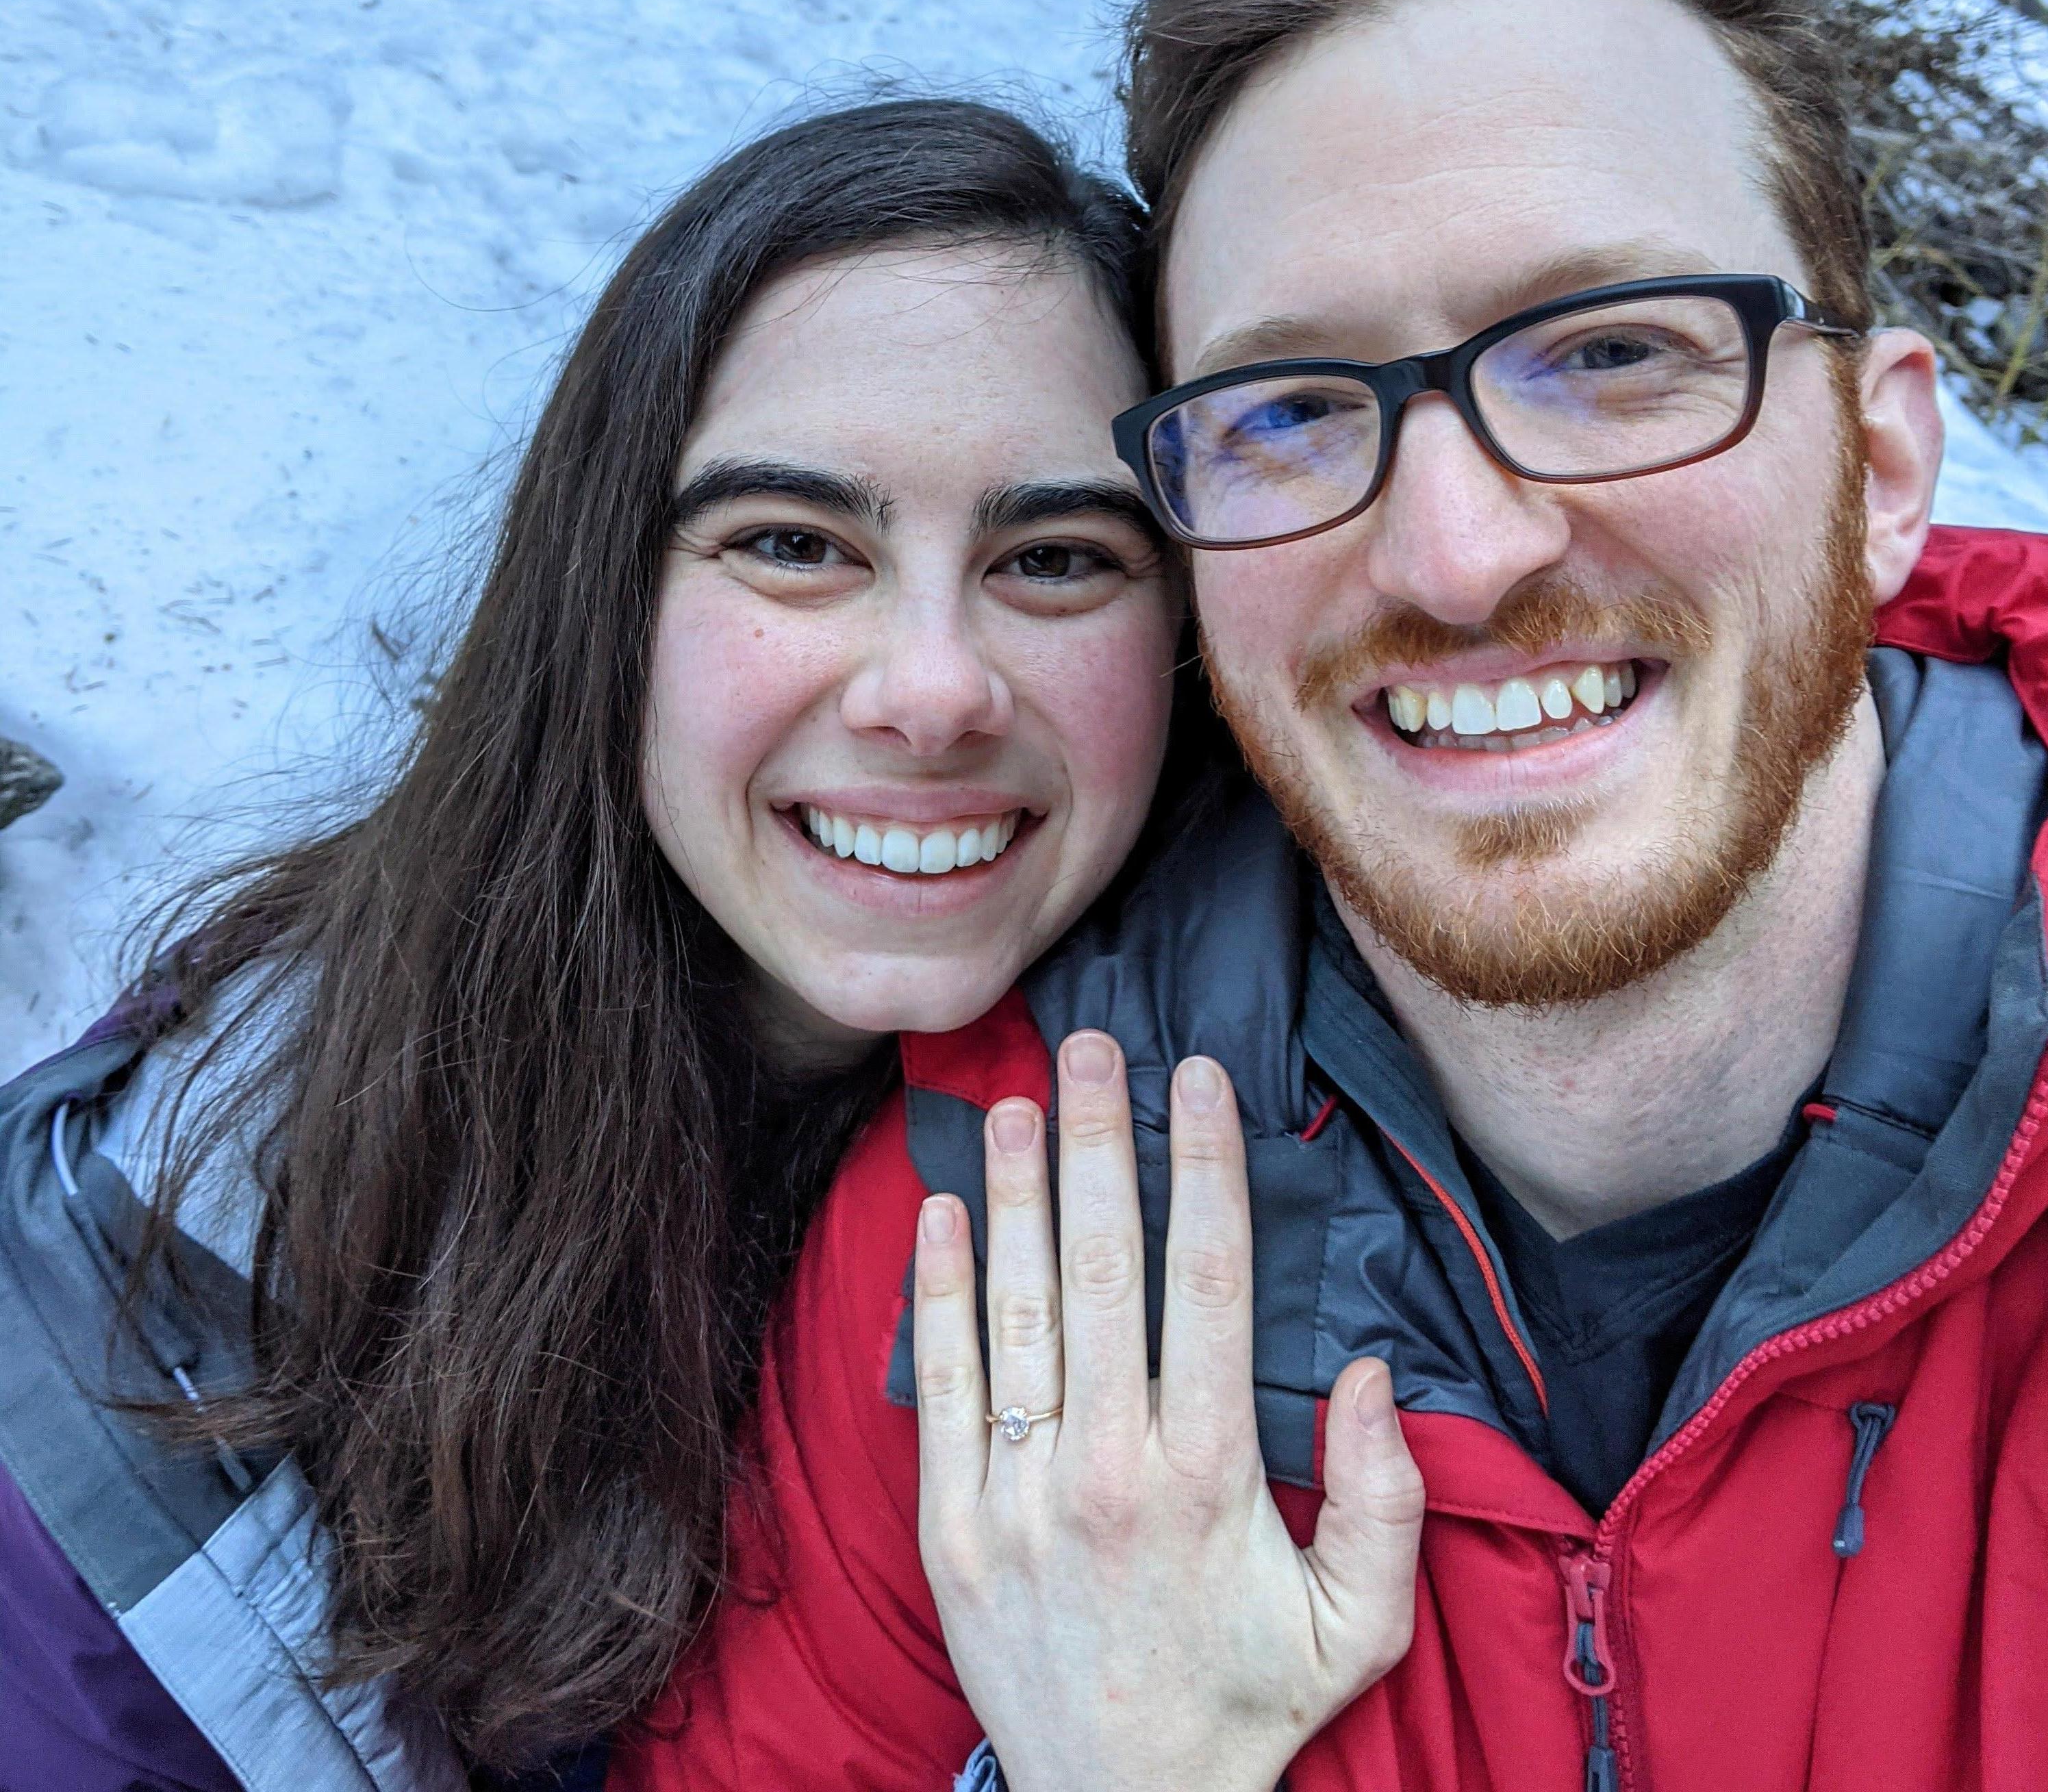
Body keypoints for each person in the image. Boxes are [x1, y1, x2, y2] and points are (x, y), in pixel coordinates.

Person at [618, 0, 2048, 1792]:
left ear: (1887, 466)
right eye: (1295, 411)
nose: (1459, 551)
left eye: (1615, 352)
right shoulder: (1011, 1247)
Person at [0, 97, 1230, 1791]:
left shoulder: (1293, 1151)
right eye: (794, 544)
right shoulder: (165, 1284)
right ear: (607, 602)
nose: (933, 686)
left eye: (1056, 555)